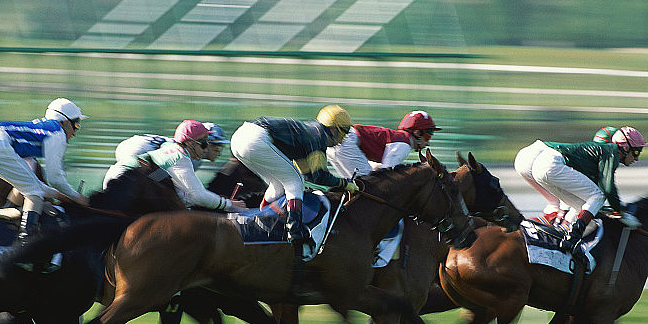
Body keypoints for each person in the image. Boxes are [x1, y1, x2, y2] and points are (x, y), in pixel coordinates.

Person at [230, 105, 359, 257]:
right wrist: (345, 184)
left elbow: (309, 175)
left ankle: (262, 220)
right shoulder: (319, 137)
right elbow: (319, 176)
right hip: (255, 139)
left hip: (239, 138)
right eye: (344, 132)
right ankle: (294, 230)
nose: (342, 140)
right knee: (294, 182)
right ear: (334, 129)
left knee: (278, 184)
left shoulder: (309, 133)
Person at [0, 98, 89, 247]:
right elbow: (55, 178)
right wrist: (76, 197)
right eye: (76, 125)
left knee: (27, 186)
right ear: (64, 122)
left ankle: (6, 215)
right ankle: (26, 242)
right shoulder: (58, 134)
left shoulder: (37, 130)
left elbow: (31, 177)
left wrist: (58, 194)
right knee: (35, 193)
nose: (75, 133)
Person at [514, 126, 648, 252]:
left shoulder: (597, 154)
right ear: (625, 147)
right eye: (636, 152)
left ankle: (559, 233)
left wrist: (608, 210)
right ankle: (572, 237)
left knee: (581, 207)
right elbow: (608, 188)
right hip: (548, 163)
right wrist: (621, 212)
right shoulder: (611, 151)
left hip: (538, 165)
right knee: (598, 196)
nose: (637, 158)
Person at [108, 120, 238, 212]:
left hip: (121, 171)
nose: (206, 150)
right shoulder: (183, 158)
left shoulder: (174, 148)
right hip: (127, 175)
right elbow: (198, 195)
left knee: (172, 193)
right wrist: (228, 204)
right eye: (204, 145)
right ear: (191, 143)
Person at [103, 122, 231, 188]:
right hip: (137, 152)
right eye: (217, 147)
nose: (219, 152)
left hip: (129, 146)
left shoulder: (189, 149)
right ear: (206, 143)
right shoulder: (193, 159)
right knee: (165, 187)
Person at [327, 110, 441, 178]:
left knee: (354, 186)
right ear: (417, 132)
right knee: (370, 185)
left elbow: (380, 169)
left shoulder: (398, 138)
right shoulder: (405, 144)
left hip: (335, 143)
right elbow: (385, 176)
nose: (428, 143)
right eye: (428, 136)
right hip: (345, 142)